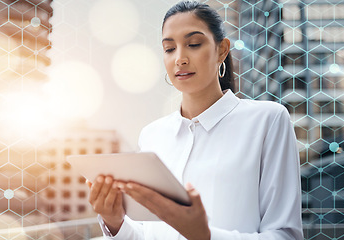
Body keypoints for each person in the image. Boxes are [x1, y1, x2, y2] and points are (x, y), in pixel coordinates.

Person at [87, 1, 304, 239]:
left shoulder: (267, 120)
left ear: (221, 50)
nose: (180, 58)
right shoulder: (152, 134)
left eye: (193, 44)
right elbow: (148, 235)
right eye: (169, 49)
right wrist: (115, 222)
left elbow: (285, 235)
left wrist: (204, 235)